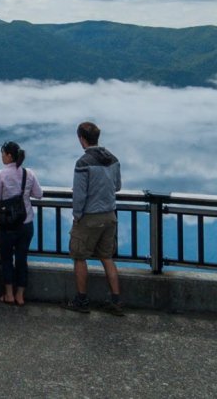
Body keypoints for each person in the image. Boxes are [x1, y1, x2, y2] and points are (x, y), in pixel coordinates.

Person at [64, 121, 124, 315]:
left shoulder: (83, 163)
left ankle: (82, 300)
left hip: (89, 217)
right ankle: (116, 300)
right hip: (109, 215)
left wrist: (77, 216)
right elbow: (117, 186)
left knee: (80, 257)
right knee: (106, 257)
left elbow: (79, 195)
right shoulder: (113, 159)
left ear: (81, 139)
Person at [0, 141, 43, 306]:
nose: (1, 157)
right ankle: (20, 295)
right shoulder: (29, 173)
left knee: (6, 259)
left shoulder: (0, 174)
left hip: (7, 224)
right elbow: (39, 194)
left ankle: (8, 294)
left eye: (3, 154)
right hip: (26, 222)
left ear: (9, 156)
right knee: (22, 259)